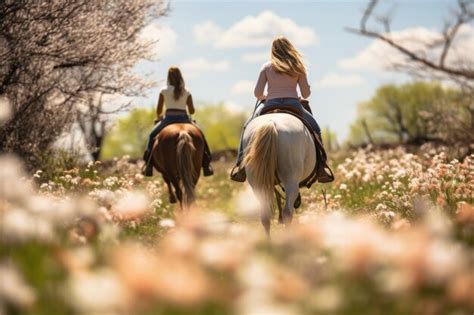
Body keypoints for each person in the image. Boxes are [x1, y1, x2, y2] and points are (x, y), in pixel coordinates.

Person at [230, 36, 333, 183]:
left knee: (247, 126)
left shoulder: (266, 67)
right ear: (290, 49)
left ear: (273, 51)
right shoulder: (298, 67)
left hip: (270, 104)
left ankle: (240, 164)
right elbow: (305, 94)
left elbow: (257, 94)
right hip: (293, 104)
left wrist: (265, 96)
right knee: (315, 127)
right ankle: (321, 166)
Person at [142, 67, 213, 177]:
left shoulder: (164, 90)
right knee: (201, 135)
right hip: (184, 118)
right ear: (180, 76)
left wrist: (159, 117)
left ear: (168, 77)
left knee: (152, 136)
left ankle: (148, 165)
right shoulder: (186, 91)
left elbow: (159, 110)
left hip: (168, 119)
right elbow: (192, 110)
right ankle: (206, 164)